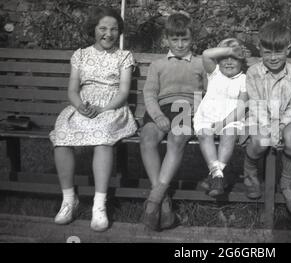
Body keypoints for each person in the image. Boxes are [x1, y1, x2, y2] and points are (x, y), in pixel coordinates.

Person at [49, 7, 137, 232]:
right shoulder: (80, 55)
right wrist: (80, 106)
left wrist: (104, 108)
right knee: (61, 137)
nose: (108, 34)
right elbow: (72, 90)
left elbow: (123, 92)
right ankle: (69, 199)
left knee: (103, 137)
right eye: (103, 28)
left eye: (114, 29)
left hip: (112, 107)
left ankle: (99, 205)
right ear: (93, 30)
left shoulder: (124, 56)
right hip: (84, 105)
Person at [140, 12, 206, 231]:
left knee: (177, 138)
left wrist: (197, 114)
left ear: (192, 39)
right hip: (160, 109)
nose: (179, 44)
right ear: (166, 39)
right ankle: (164, 200)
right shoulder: (157, 65)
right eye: (174, 39)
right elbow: (149, 93)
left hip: (186, 109)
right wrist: (157, 115)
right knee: (148, 138)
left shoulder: (199, 64)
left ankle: (154, 200)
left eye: (184, 39)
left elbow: (206, 93)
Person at [243, 21, 291, 214]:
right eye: (267, 52)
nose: (272, 58)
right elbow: (255, 103)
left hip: (287, 120)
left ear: (288, 49)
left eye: (278, 52)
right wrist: (270, 127)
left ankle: (287, 183)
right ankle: (250, 173)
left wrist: (281, 125)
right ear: (260, 49)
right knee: (261, 140)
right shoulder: (253, 72)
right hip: (259, 119)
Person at [193, 38, 249, 197]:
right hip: (208, 116)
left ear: (242, 61)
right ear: (218, 60)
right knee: (204, 134)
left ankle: (214, 175)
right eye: (225, 58)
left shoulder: (243, 79)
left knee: (229, 135)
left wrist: (223, 123)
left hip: (231, 118)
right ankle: (218, 176)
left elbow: (241, 106)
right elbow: (206, 54)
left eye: (235, 58)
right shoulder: (214, 72)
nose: (229, 62)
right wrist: (231, 51)